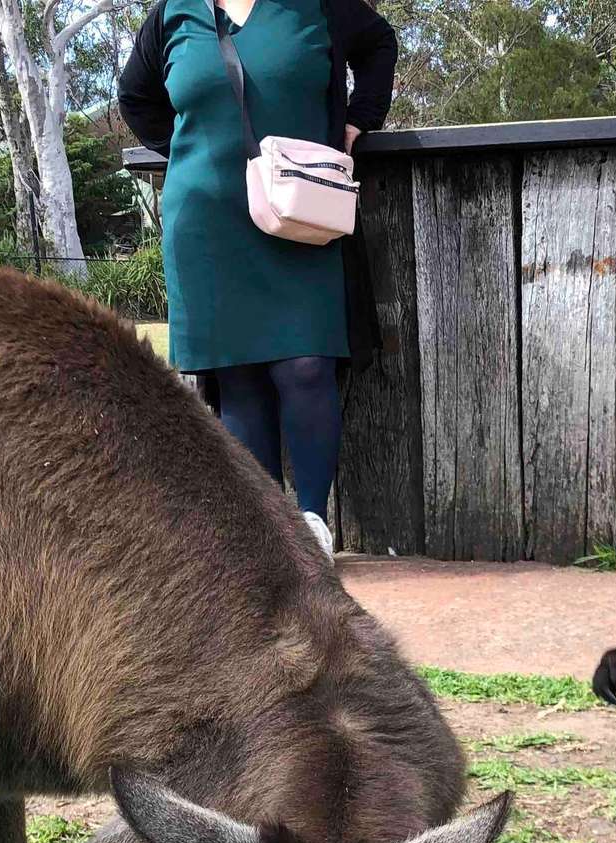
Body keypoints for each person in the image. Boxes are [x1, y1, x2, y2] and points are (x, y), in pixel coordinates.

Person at [118, 0, 397, 557]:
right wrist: (188, 150)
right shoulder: (173, 13)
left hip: (301, 214)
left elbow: (379, 45)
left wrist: (358, 119)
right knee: (239, 378)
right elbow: (135, 97)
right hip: (206, 222)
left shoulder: (318, 5)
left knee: (307, 364)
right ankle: (273, 540)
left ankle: (313, 524)